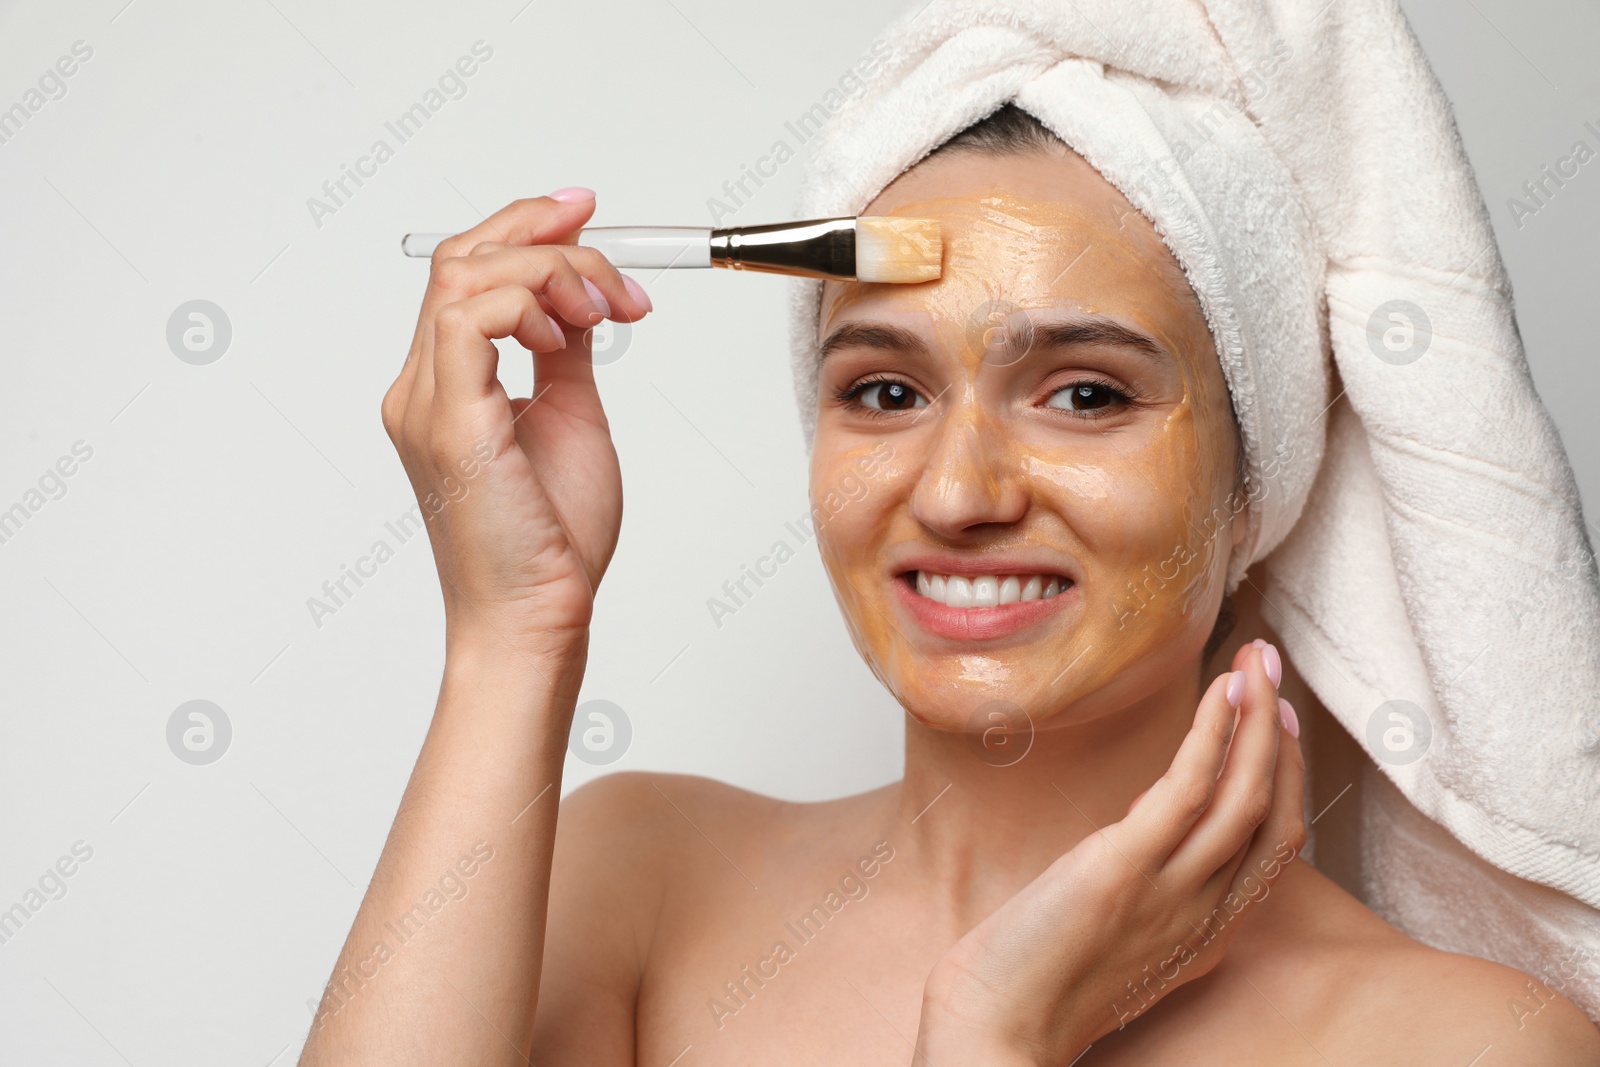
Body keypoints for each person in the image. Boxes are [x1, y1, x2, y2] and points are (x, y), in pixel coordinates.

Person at [298, 105, 1600, 1065]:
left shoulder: (1468, 1045)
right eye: (885, 390)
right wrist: (514, 633)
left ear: (1258, 480)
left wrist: (998, 1040)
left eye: (1086, 393)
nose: (959, 491)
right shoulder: (644, 879)